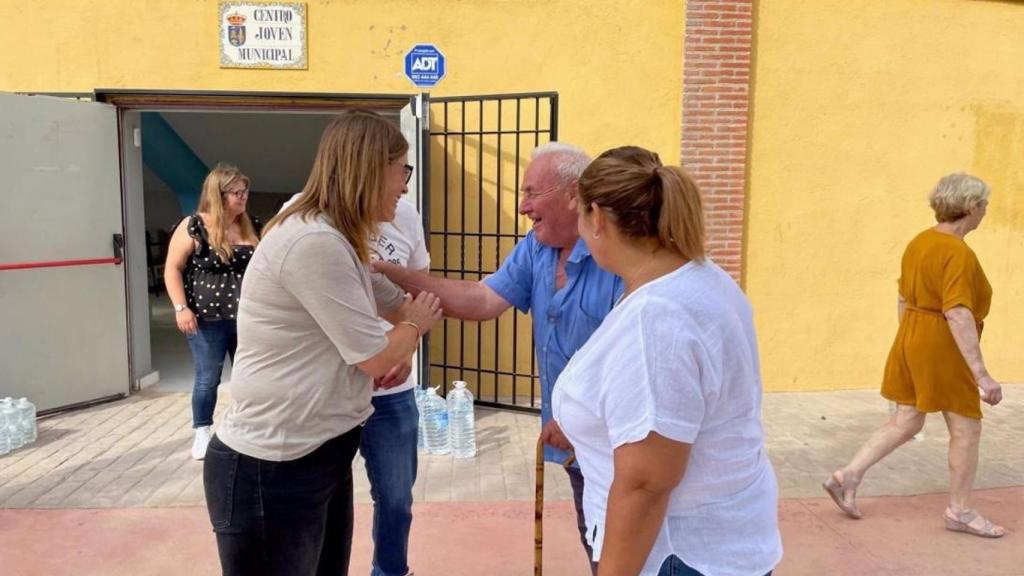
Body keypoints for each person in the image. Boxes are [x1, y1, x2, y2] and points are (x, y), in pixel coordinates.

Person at [202, 110, 443, 576]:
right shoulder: (315, 242)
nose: (406, 186)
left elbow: (400, 305)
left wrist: (422, 315)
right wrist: (412, 329)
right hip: (269, 469)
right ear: (370, 170)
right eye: (402, 171)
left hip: (317, 455)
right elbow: (378, 356)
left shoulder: (341, 240)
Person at [373, 142, 623, 573]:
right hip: (576, 449)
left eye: (531, 192)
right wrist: (390, 273)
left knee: (629, 553)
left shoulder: (617, 255)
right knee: (597, 541)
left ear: (573, 194)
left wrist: (583, 415)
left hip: (621, 444)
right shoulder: (538, 247)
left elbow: (627, 358)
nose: (523, 206)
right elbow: (483, 299)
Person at [553, 146, 783, 576]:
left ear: (598, 218)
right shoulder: (698, 277)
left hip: (678, 556)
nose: (580, 232)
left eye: (580, 216)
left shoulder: (656, 319)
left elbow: (647, 483)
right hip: (721, 543)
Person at [824, 173, 1005, 538]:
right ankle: (960, 510)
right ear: (970, 207)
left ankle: (848, 475)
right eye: (984, 204)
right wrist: (981, 374)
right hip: (941, 343)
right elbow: (957, 312)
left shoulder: (919, 242)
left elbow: (903, 297)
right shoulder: (957, 253)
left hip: (911, 334)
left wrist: (908, 342)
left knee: (908, 418)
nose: (985, 211)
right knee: (966, 428)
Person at [282, 189, 430, 576]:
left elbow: (416, 295)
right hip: (331, 391)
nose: (403, 184)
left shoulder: (407, 215)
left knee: (396, 498)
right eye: (399, 170)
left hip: (390, 389)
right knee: (322, 502)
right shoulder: (307, 219)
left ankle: (390, 570)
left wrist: (407, 351)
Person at [163, 163, 259, 461]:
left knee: (251, 375)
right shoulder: (194, 226)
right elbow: (172, 269)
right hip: (207, 318)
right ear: (219, 194)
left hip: (247, 317)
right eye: (237, 192)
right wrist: (181, 308)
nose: (243, 197)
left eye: (245, 192)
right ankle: (202, 431)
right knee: (208, 377)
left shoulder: (250, 225)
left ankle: (247, 428)